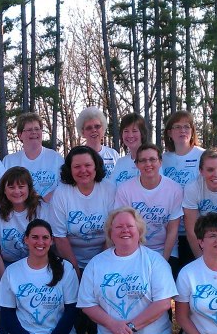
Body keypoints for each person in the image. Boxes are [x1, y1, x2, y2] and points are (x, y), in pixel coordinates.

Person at [77, 208, 177, 334]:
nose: (125, 230)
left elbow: (163, 302)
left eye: (130, 226)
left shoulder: (155, 261)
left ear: (139, 231)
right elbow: (87, 304)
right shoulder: (96, 263)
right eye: (119, 227)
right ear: (110, 233)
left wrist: (131, 326)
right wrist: (113, 325)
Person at [0, 219, 80, 334]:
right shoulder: (13, 271)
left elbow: (72, 311)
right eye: (35, 237)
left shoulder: (66, 269)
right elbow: (7, 313)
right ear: (26, 240)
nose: (40, 242)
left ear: (52, 241)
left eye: (45, 237)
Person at [49, 146, 117, 274]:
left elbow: (113, 232)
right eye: (77, 166)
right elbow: (59, 237)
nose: (83, 170)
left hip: (106, 257)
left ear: (96, 166)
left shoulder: (109, 189)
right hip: (69, 261)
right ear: (69, 169)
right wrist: (75, 271)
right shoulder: (61, 193)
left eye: (88, 165)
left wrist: (97, 267)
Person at [114, 143, 183, 263]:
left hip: (167, 250)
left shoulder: (175, 189)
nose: (148, 164)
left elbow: (173, 230)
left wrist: (163, 262)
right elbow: (123, 227)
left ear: (160, 162)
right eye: (143, 160)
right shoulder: (125, 190)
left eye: (152, 159)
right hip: (135, 250)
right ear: (137, 164)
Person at [0, 167, 45, 278]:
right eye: (11, 187)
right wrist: (5, 280)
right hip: (5, 264)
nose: (17, 191)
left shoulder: (41, 208)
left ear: (29, 188)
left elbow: (47, 244)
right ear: (4, 190)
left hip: (37, 263)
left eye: (21, 187)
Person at [161, 110, 204, 268]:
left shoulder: (203, 156)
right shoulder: (163, 159)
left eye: (186, 126)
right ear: (170, 133)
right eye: (177, 127)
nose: (182, 130)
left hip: (195, 230)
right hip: (170, 231)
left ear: (192, 131)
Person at [2, 112, 64, 200]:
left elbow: (65, 186)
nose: (34, 132)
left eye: (37, 129)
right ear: (20, 135)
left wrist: (46, 199)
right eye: (29, 130)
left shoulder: (56, 158)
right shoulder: (9, 161)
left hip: (50, 209)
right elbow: (3, 190)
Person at [76, 106, 120, 179]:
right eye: (89, 128)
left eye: (97, 126)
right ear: (83, 132)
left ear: (103, 128)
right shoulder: (77, 156)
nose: (94, 130)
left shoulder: (113, 154)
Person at [110, 113, 147, 186]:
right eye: (126, 131)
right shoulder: (120, 162)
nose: (130, 135)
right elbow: (110, 188)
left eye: (134, 131)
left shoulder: (151, 160)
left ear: (142, 134)